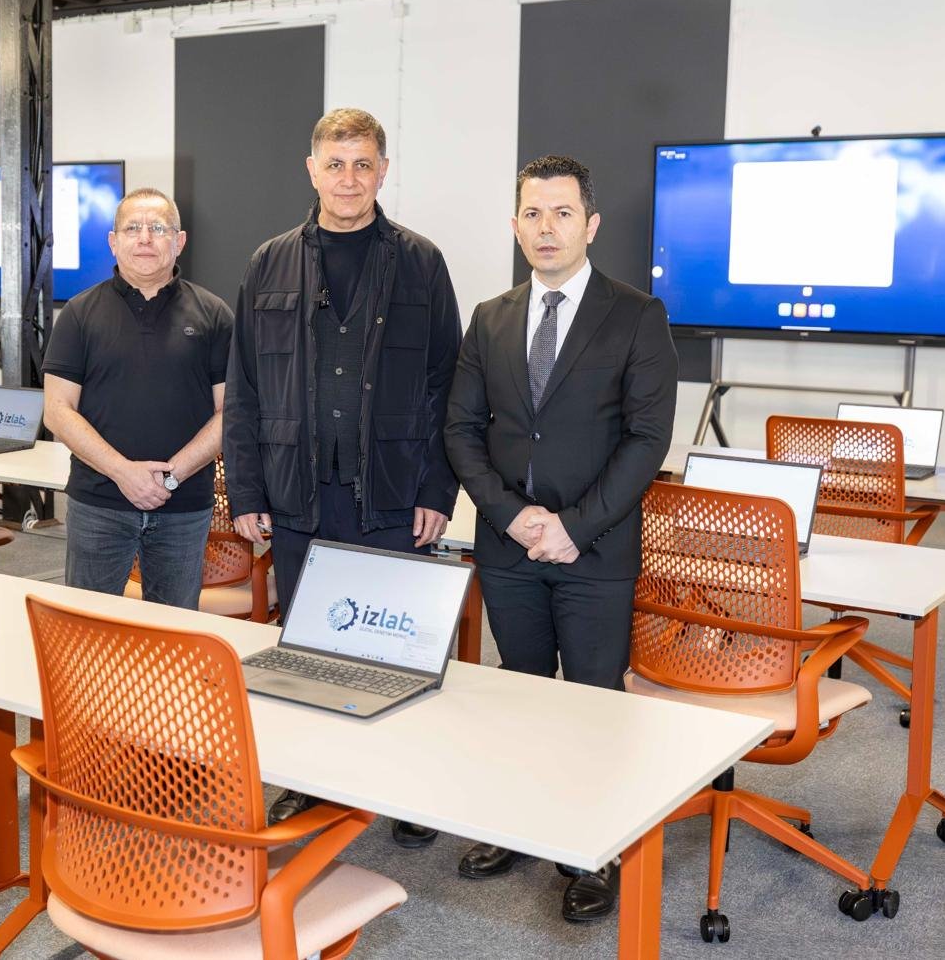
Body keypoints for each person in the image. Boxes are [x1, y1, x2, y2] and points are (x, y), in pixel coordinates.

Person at [443, 155, 679, 923]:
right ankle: (520, 822)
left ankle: (592, 849)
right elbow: (461, 430)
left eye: (563, 213)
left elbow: (647, 439)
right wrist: (511, 516)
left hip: (595, 551)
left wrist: (574, 528)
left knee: (591, 698)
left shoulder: (637, 315)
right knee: (519, 688)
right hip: (508, 545)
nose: (547, 228)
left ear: (591, 224)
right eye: (533, 214)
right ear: (515, 227)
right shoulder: (491, 316)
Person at [223, 107, 462, 837]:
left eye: (363, 164)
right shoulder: (269, 262)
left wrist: (438, 489)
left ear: (383, 172)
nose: (349, 179)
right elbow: (245, 387)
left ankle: (406, 789)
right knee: (308, 647)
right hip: (297, 493)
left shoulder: (421, 262)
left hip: (392, 491)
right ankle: (312, 782)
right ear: (312, 170)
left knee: (397, 651)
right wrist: (247, 489)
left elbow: (449, 387)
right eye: (336, 164)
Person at [43, 187, 233, 609]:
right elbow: (57, 411)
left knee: (174, 631)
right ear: (114, 241)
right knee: (88, 628)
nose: (145, 238)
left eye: (158, 228)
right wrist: (123, 473)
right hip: (99, 503)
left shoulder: (215, 315)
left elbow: (230, 412)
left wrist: (170, 477)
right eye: (132, 228)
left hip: (183, 506)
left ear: (179, 241)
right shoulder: (78, 314)